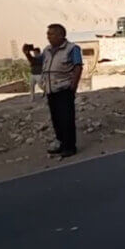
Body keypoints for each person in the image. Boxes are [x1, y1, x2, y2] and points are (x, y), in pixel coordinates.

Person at [38, 24, 83, 157]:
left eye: (51, 34)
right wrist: (27, 54)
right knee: (56, 118)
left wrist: (73, 87)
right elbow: (37, 63)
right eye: (48, 34)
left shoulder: (72, 49)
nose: (48, 36)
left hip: (64, 89)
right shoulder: (47, 50)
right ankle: (60, 142)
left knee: (66, 119)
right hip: (51, 90)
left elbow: (78, 67)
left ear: (60, 35)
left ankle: (70, 147)